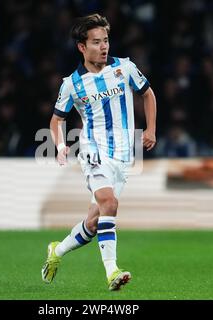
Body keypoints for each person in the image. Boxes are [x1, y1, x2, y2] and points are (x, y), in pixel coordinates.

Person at [41, 13, 157, 291]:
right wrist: (60, 145)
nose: (103, 46)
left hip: (123, 156)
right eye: (96, 42)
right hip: (93, 150)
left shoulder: (124, 68)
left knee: (94, 222)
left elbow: (148, 94)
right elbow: (57, 119)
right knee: (110, 203)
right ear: (82, 47)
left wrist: (151, 129)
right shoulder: (72, 84)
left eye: (105, 40)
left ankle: (57, 251)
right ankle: (112, 271)